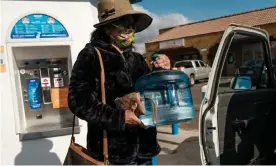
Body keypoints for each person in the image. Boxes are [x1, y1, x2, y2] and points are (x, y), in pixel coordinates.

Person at [68, 0, 171, 165]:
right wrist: (119, 118)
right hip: (114, 156)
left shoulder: (137, 59)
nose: (127, 29)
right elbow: (78, 101)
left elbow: (150, 93)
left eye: (130, 23)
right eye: (120, 23)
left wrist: (162, 72)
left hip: (144, 152)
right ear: (107, 28)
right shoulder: (91, 55)